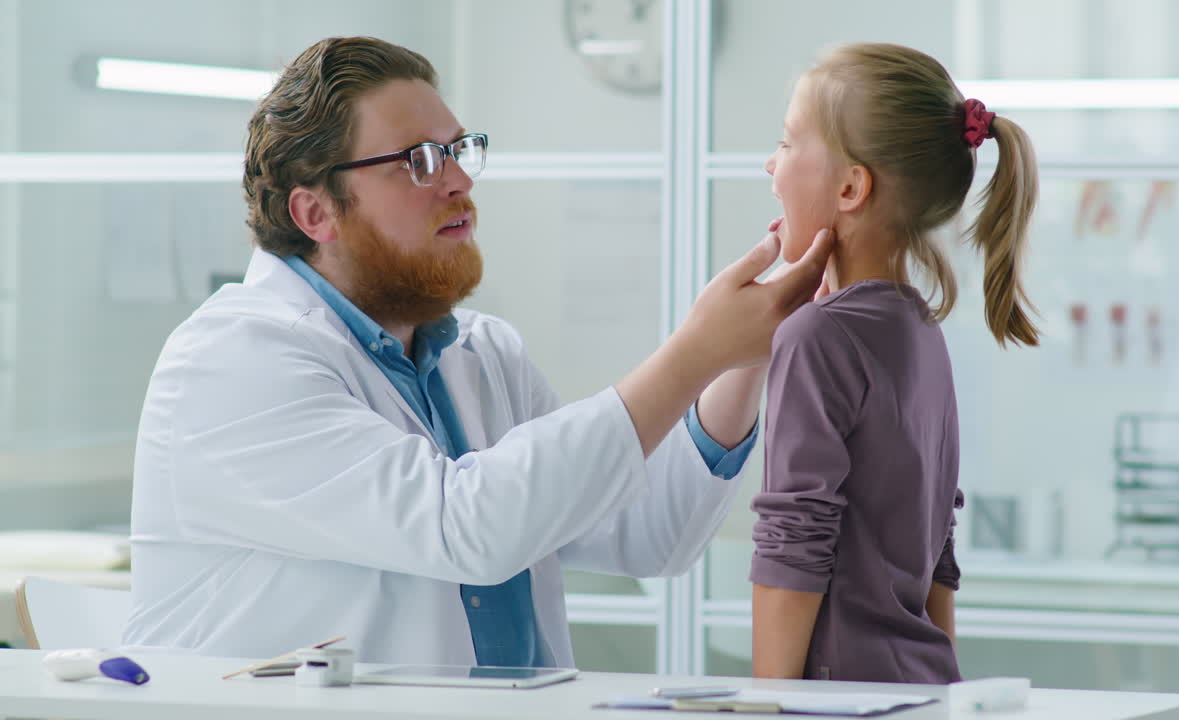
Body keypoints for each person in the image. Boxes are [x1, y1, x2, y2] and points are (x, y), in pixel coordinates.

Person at [122, 36, 833, 666]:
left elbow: (650, 536)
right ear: (316, 213)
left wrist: (743, 357)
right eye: (418, 161)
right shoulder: (232, 360)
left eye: (459, 150)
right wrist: (693, 353)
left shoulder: (482, 354)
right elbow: (467, 528)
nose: (459, 180)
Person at [749, 42, 1039, 683]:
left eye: (789, 143)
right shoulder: (920, 332)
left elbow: (792, 549)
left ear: (851, 186)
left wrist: (766, 704)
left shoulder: (817, 337)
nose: (772, 164)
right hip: (921, 683)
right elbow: (939, 548)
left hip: (840, 695)